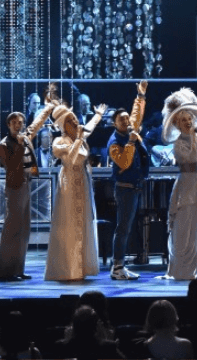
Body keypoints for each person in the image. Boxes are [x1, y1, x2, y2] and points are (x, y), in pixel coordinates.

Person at [44, 99, 108, 281]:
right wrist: (79, 139)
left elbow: (90, 126)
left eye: (74, 119)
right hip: (69, 182)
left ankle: (83, 266)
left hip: (82, 180)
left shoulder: (79, 136)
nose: (75, 122)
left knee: (83, 221)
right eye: (71, 120)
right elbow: (71, 159)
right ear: (63, 125)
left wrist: (98, 115)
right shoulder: (59, 142)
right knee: (70, 222)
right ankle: (69, 268)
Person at [0, 104, 54, 282]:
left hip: (27, 183)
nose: (18, 125)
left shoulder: (25, 138)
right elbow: (11, 166)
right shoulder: (4, 145)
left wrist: (49, 107)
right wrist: (20, 146)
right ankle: (6, 271)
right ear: (8, 124)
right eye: (14, 122)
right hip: (14, 186)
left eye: (20, 122)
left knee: (24, 229)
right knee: (12, 229)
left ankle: (18, 269)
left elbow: (36, 125)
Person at [162, 87, 197, 280]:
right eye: (184, 120)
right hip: (186, 184)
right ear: (177, 123)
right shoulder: (178, 144)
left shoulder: (195, 138)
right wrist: (192, 135)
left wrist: (192, 101)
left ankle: (191, 268)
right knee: (182, 225)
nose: (189, 122)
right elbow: (190, 157)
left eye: (189, 119)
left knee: (194, 226)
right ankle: (180, 268)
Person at [106, 80, 149, 280]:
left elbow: (135, 115)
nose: (126, 121)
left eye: (126, 119)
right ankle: (117, 268)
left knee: (126, 228)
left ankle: (121, 265)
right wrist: (131, 142)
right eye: (121, 120)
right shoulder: (114, 143)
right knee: (122, 229)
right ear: (114, 123)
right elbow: (123, 162)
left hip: (135, 187)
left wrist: (140, 96)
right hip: (124, 189)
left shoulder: (130, 130)